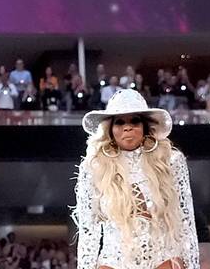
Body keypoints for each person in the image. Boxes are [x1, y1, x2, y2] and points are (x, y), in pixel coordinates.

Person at [74, 89, 199, 269]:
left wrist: (191, 264)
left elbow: (185, 222)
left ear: (145, 125)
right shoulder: (94, 167)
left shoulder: (170, 161)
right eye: (120, 122)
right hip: (114, 262)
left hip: (162, 259)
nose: (127, 127)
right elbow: (89, 233)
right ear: (110, 128)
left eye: (134, 120)